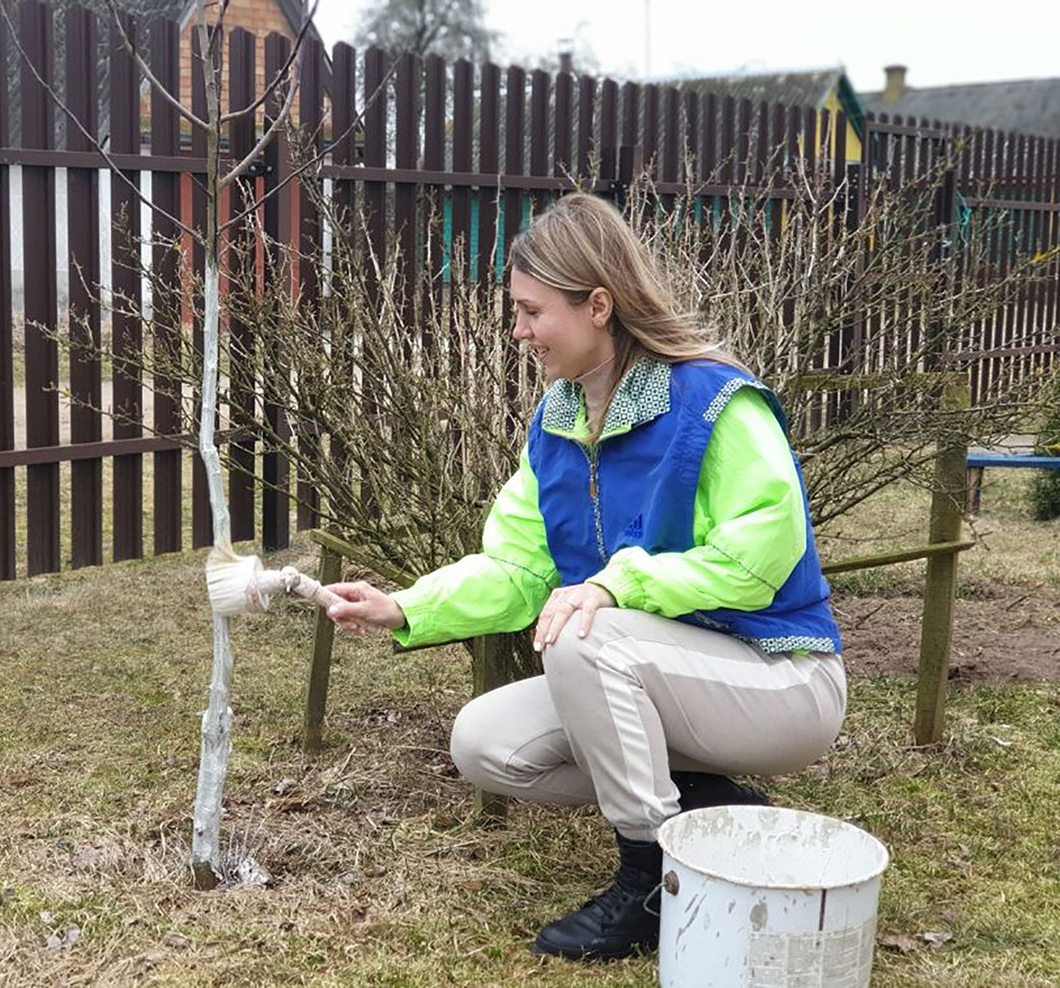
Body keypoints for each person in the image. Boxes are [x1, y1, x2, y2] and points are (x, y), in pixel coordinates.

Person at [323, 193, 846, 962]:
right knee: (486, 743)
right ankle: (710, 817)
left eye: (533, 311)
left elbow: (760, 556)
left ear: (597, 304)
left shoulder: (715, 403)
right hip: (657, 673)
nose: (518, 330)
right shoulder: (559, 421)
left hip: (782, 678)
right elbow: (518, 568)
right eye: (515, 310)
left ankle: (652, 882)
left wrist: (614, 584)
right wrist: (404, 607)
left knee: (583, 635)